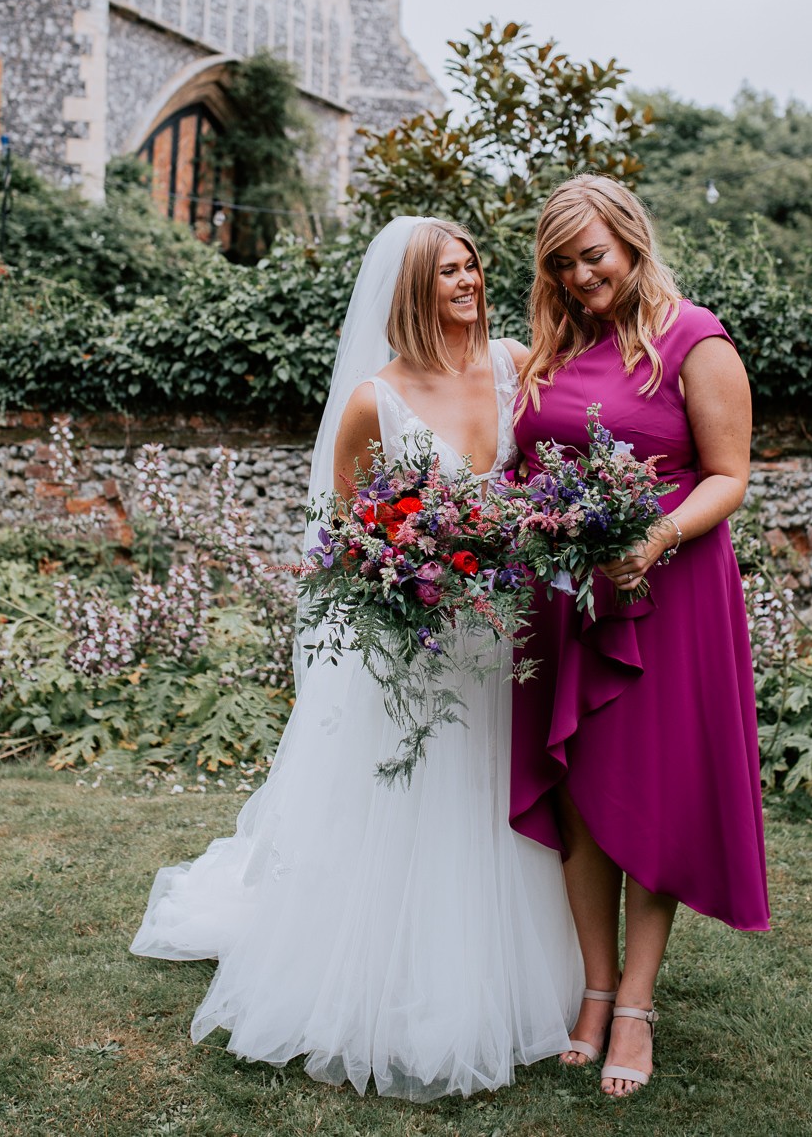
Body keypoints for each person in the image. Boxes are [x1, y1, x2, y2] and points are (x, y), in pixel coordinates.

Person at [131, 216, 582, 1101]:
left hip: (504, 638)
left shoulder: (515, 365)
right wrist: (412, 567)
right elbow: (343, 536)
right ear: (413, 290)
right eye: (448, 272)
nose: (469, 282)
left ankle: (517, 969)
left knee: (497, 796)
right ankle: (388, 980)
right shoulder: (375, 400)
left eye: (473, 266)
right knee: (416, 804)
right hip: (419, 647)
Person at [509, 175, 770, 1100]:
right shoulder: (547, 348)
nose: (583, 277)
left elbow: (728, 474)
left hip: (670, 588)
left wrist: (651, 539)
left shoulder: (694, 339)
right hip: (563, 595)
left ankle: (637, 1006)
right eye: (563, 264)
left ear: (631, 239)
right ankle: (592, 986)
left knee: (650, 794)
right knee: (577, 787)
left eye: (595, 257)